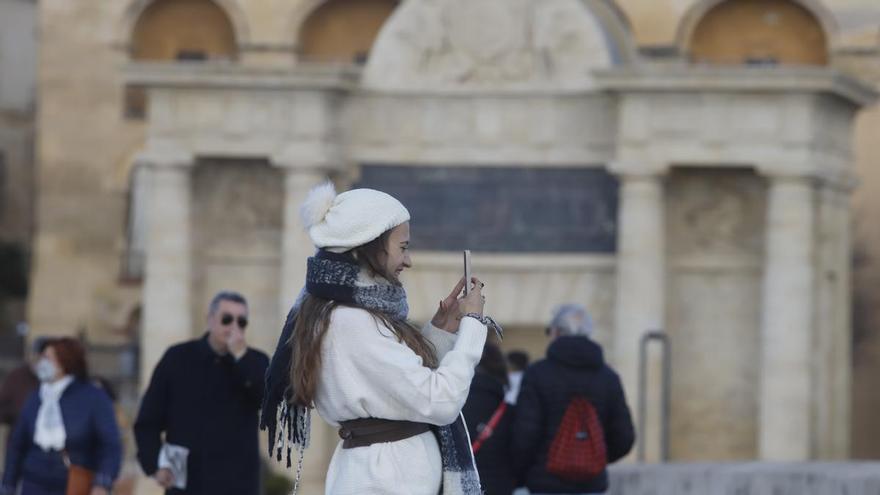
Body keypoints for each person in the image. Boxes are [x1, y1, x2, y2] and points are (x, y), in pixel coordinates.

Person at [261, 183, 493, 495]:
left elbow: (396, 387)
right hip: (385, 478)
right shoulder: (351, 321)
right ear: (367, 247)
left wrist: (440, 330)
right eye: (403, 246)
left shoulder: (347, 313)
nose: (408, 260)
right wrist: (474, 326)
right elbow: (439, 401)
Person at [133, 291, 269, 495]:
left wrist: (241, 357)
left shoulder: (257, 362)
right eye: (226, 319)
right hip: (188, 483)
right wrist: (154, 464)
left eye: (241, 322)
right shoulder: (177, 358)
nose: (233, 327)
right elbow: (148, 420)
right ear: (210, 319)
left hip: (237, 484)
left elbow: (266, 402)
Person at [511, 304, 635, 495]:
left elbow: (524, 435)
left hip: (545, 484)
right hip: (592, 485)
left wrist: (524, 473)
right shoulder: (608, 378)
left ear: (557, 332)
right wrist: (593, 457)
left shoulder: (538, 374)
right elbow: (624, 436)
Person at [1, 337, 122, 495]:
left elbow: (110, 445)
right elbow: (17, 444)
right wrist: (8, 484)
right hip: (34, 483)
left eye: (47, 358)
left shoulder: (93, 397)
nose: (41, 363)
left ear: (65, 362)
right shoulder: (36, 397)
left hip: (72, 482)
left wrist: (103, 482)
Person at [462, 343, 515, 495]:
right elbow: (521, 449)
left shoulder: (449, 409)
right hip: (499, 485)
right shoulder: (508, 412)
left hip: (458, 484)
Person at [0, 338, 47, 440]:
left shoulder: (56, 380)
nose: (37, 361)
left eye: (42, 358)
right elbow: (3, 408)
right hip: (20, 440)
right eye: (35, 356)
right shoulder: (16, 377)